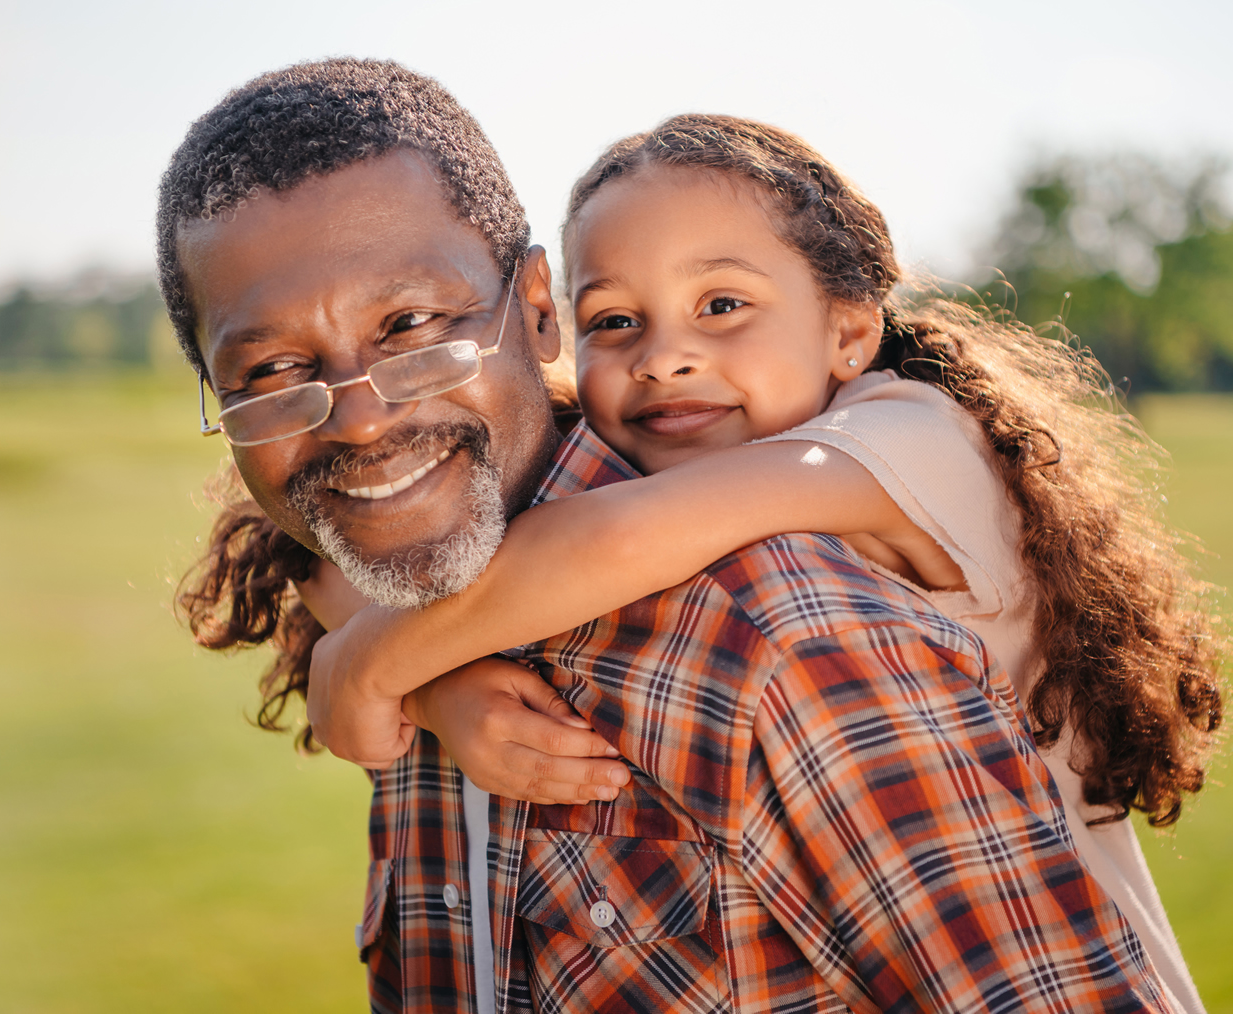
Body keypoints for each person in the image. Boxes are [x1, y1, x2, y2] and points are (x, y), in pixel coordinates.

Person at [169, 59, 1173, 1013]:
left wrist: (382, 664)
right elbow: (302, 549)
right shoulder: (426, 565)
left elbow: (614, 541)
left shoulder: (807, 604)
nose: (358, 422)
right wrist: (430, 685)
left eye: (410, 326)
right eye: (268, 376)